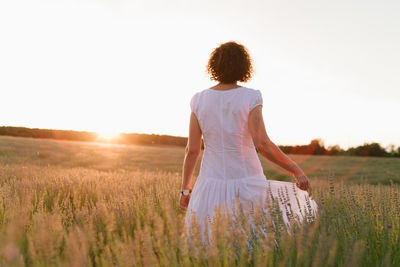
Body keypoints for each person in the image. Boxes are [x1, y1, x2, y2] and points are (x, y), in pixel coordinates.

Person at [180, 41, 318, 246]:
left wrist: (185, 190)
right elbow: (262, 143)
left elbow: (192, 150)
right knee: (253, 241)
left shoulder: (199, 100)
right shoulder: (250, 96)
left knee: (209, 244)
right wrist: (296, 170)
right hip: (247, 180)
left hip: (209, 183)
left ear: (214, 66)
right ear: (243, 66)